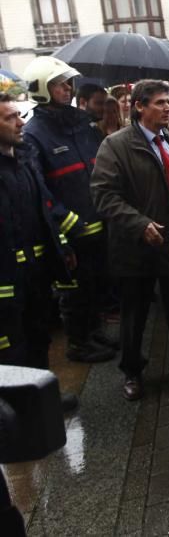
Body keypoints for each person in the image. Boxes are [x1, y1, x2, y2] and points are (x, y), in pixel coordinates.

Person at [90, 80, 169, 401]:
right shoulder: (115, 145)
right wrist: (139, 224)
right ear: (138, 106)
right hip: (135, 248)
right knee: (134, 316)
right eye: (159, 103)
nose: (168, 108)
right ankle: (132, 371)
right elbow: (103, 195)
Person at [21, 58, 116, 363]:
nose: (67, 88)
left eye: (67, 82)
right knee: (73, 291)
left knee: (93, 286)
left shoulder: (79, 122)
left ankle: (92, 331)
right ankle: (78, 343)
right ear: (41, 90)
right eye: (58, 84)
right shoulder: (34, 133)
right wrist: (65, 222)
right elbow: (38, 188)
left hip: (97, 222)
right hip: (69, 231)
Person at [0, 92, 80, 412]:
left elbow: (43, 211)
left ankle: (42, 397)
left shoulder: (23, 161)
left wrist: (61, 247)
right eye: (10, 118)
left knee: (39, 335)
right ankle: (18, 411)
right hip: (6, 281)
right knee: (12, 346)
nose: (20, 122)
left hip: (35, 271)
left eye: (18, 116)